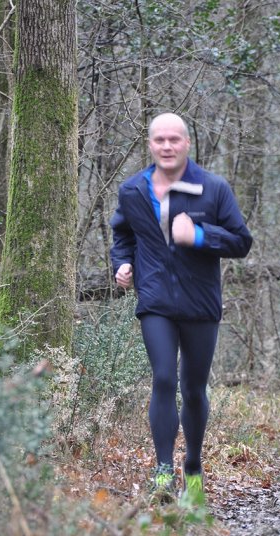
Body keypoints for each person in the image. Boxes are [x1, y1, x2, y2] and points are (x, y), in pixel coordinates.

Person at [110, 113, 253, 503]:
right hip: (155, 300)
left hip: (200, 303)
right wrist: (122, 264)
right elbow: (123, 235)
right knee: (162, 379)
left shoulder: (212, 188)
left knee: (192, 388)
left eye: (174, 139)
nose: (167, 146)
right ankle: (162, 472)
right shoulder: (132, 190)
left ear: (187, 143)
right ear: (150, 145)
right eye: (159, 140)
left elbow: (241, 241)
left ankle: (192, 466)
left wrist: (200, 235)